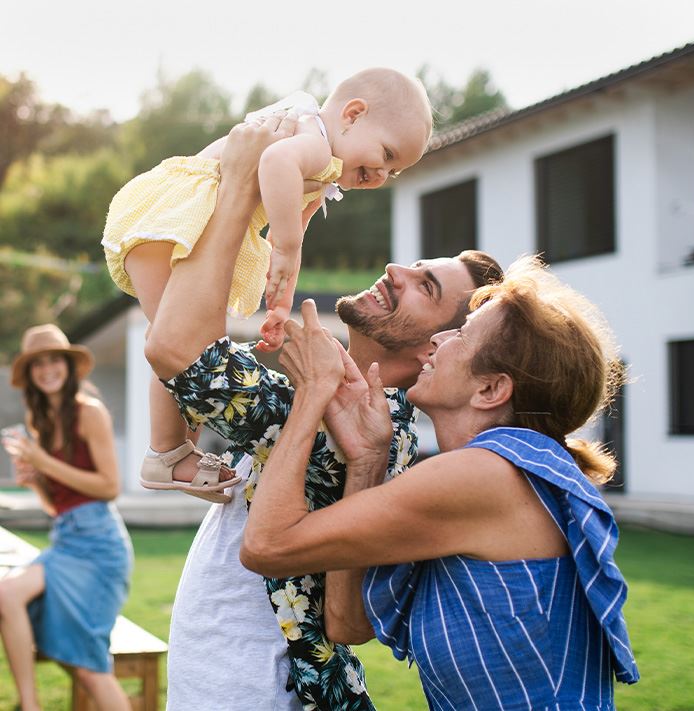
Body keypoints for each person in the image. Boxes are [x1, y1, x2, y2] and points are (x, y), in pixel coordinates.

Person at [143, 115, 503, 709]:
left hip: (258, 684)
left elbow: (175, 348)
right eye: (415, 265)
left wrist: (236, 185)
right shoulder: (341, 393)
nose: (396, 270)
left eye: (425, 287)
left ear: (433, 346)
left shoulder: (345, 411)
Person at [241, 258, 642, 709]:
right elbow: (348, 623)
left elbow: (266, 547)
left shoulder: (483, 476)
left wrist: (312, 392)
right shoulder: (502, 473)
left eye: (462, 335)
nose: (437, 340)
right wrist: (368, 460)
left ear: (491, 390)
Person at [102, 67, 433, 502]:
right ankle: (166, 452)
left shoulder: (323, 162)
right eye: (386, 154)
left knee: (192, 337)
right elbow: (276, 169)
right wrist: (290, 247)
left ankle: (170, 452)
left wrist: (280, 299)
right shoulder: (314, 140)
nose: (381, 174)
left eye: (394, 171)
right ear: (352, 115)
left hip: (190, 220)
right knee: (184, 340)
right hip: (180, 217)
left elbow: (289, 230)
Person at [0, 324, 134, 711]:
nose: (47, 369)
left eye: (54, 360)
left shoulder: (88, 412)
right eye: (37, 364)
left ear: (68, 365)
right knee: (7, 594)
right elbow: (56, 505)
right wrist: (35, 482)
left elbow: (110, 487)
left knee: (88, 668)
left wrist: (44, 463)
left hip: (99, 547)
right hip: (66, 539)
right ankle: (30, 704)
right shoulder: (39, 422)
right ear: (29, 375)